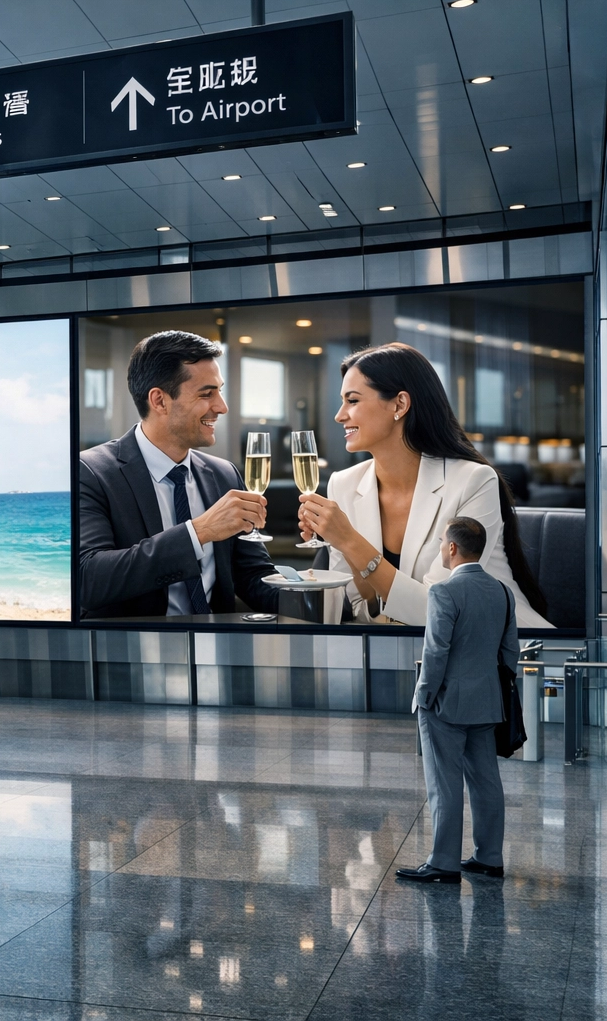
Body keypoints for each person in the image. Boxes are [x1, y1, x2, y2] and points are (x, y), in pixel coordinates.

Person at [297, 343, 550, 627]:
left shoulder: (473, 482)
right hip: (411, 655)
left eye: (353, 401)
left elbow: (441, 610)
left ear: (400, 404)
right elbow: (361, 605)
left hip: (504, 654)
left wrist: (348, 540)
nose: (340, 415)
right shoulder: (343, 485)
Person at [77, 330, 280, 618]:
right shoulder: (90, 472)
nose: (222, 407)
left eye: (220, 391)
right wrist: (199, 532)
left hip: (219, 649)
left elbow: (253, 577)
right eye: (206, 394)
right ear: (159, 401)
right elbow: (88, 579)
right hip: (130, 653)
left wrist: (327, 600)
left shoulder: (224, 474)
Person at [396, 517, 517, 884]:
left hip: (445, 704)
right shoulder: (502, 591)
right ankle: (489, 857)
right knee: (486, 781)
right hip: (487, 702)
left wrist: (424, 696)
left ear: (452, 548)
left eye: (441, 542)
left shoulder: (444, 592)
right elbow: (509, 653)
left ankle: (444, 863)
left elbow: (436, 652)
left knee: (444, 784)